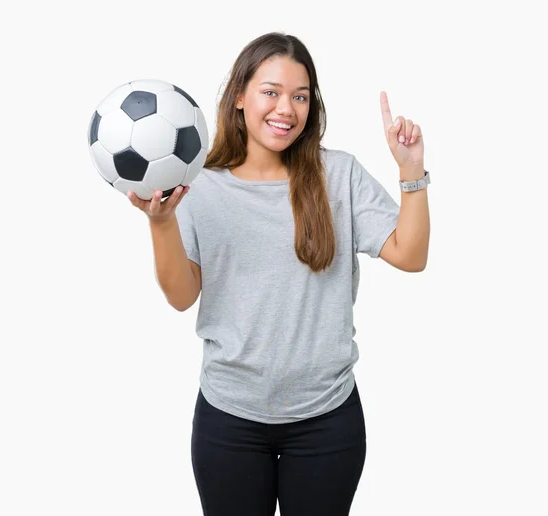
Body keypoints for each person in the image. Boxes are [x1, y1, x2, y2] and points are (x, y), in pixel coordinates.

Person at [128, 31, 430, 516]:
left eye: (300, 96)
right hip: (229, 420)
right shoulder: (197, 184)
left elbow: (410, 255)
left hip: (327, 421)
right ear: (241, 98)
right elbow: (181, 296)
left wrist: (411, 171)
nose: (285, 108)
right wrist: (160, 222)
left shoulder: (339, 175)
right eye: (271, 91)